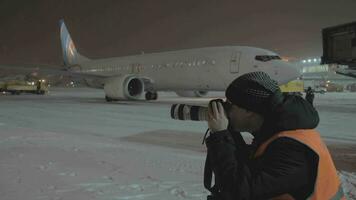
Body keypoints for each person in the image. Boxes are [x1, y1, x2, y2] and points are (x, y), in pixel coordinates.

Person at [204, 71, 345, 200]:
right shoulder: (278, 131)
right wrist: (228, 133)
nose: (226, 110)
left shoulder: (293, 150)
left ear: (249, 110)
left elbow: (238, 191)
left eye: (230, 105)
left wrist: (220, 137)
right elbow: (248, 168)